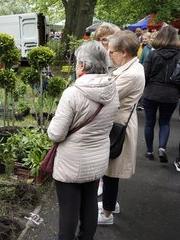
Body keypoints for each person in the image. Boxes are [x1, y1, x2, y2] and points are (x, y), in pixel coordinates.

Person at [47, 41, 119, 240]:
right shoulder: (113, 91)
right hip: (97, 158)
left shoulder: (73, 93)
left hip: (72, 162)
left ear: (82, 65)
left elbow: (56, 134)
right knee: (89, 203)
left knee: (68, 210)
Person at [98, 30, 145, 225]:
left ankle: (107, 213)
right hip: (120, 122)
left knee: (111, 171)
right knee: (110, 169)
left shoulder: (131, 74)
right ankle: (110, 204)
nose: (109, 55)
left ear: (124, 52)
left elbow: (105, 95)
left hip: (119, 126)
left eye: (111, 52)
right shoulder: (131, 68)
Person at [142, 25, 180, 162]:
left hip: (152, 92)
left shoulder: (153, 54)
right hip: (171, 94)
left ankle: (149, 151)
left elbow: (145, 74)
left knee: (149, 123)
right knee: (165, 122)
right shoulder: (179, 55)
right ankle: (162, 148)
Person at [93, 22, 121, 197]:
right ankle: (97, 178)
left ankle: (101, 179)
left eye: (108, 39)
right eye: (101, 39)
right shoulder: (94, 56)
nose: (104, 43)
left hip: (109, 108)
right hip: (94, 106)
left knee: (105, 145)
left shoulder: (116, 59)